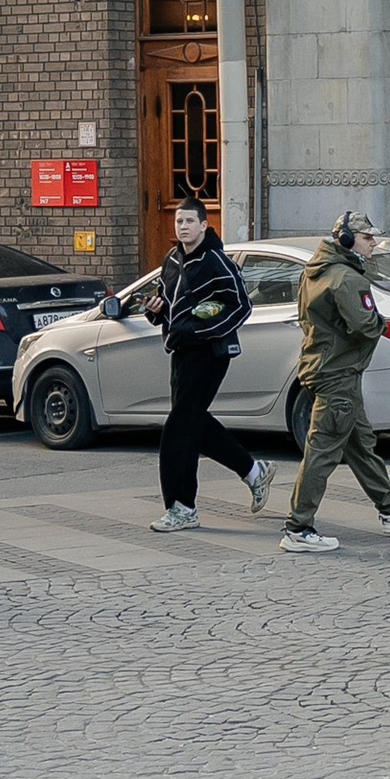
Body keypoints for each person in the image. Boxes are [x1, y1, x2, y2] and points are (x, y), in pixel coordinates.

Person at [282, 214, 390, 554]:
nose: (374, 244)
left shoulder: (315, 270)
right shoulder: (347, 279)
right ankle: (298, 527)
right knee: (322, 452)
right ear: (347, 239)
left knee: (359, 444)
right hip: (338, 374)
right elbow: (365, 326)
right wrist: (380, 320)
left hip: (324, 369)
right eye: (367, 238)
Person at [147, 198, 271, 532]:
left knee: (176, 431)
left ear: (204, 225)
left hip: (209, 354)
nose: (182, 226)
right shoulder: (171, 260)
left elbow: (241, 306)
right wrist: (156, 310)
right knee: (193, 425)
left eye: (189, 221)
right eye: (178, 221)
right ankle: (253, 471)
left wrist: (203, 330)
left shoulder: (217, 261)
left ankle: (181, 506)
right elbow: (167, 303)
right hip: (180, 352)